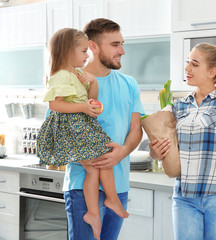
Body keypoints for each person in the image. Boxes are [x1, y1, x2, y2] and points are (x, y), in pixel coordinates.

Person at [37, 27, 132, 240]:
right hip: (73, 130)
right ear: (67, 51)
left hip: (82, 126)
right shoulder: (61, 76)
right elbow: (55, 105)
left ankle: (94, 213)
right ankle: (109, 201)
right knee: (100, 160)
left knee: (96, 167)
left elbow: (89, 98)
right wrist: (82, 108)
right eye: (82, 51)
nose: (86, 55)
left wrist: (93, 87)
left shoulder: (77, 74)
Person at [150, 43, 216, 240]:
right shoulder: (180, 105)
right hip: (185, 197)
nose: (187, 68)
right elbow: (169, 149)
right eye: (188, 62)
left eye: (194, 64)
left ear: (212, 72)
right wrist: (156, 153)